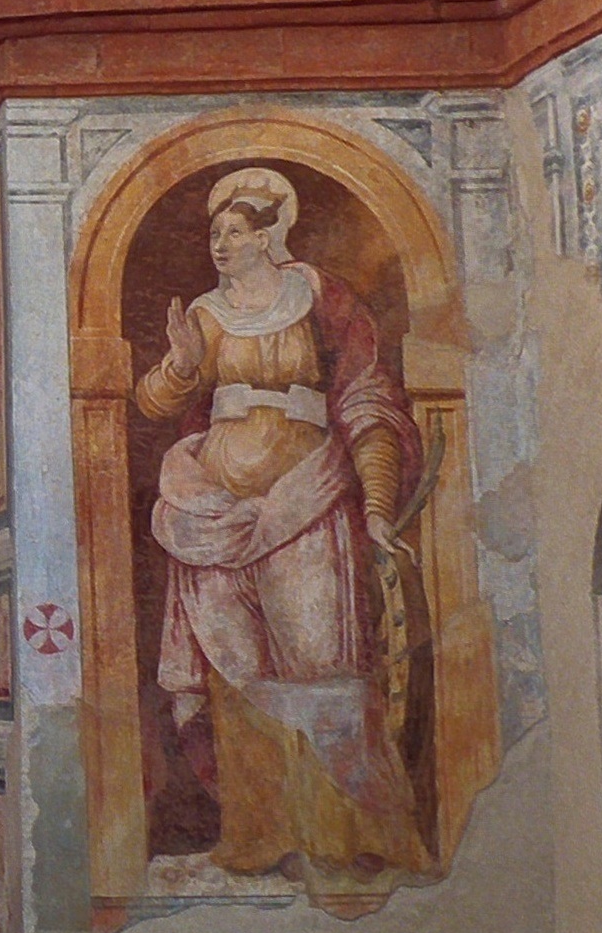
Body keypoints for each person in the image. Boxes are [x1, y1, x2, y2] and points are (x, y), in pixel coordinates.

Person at [133, 167, 428, 876]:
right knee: (238, 672)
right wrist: (179, 366)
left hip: (308, 500)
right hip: (216, 514)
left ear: (270, 234)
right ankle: (259, 833)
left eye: (235, 231)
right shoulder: (204, 314)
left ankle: (344, 833)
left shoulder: (319, 298)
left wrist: (380, 505)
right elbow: (150, 402)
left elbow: (364, 395)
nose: (221, 245)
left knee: (321, 664)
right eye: (214, 234)